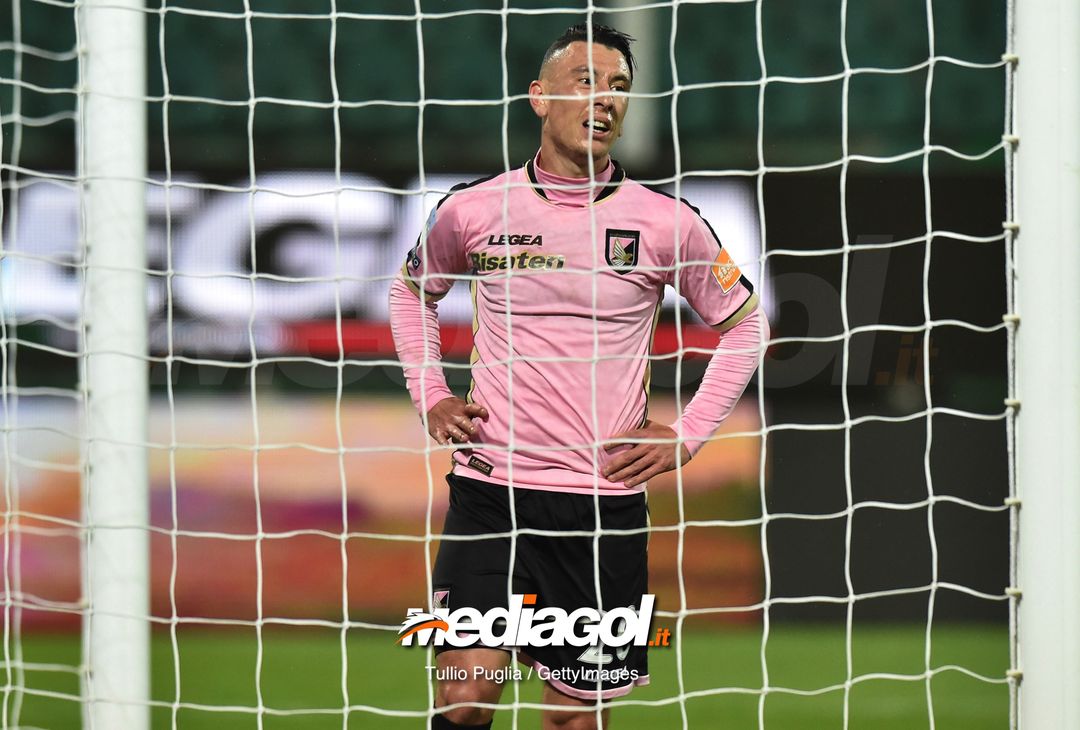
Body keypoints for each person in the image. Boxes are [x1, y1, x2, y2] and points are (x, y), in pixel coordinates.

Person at [389, 22, 768, 730]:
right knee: (465, 699)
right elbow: (411, 293)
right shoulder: (471, 210)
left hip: (603, 510)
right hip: (489, 497)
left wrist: (687, 435)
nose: (606, 100)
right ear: (538, 97)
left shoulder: (668, 225)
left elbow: (747, 326)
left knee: (571, 719)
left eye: (619, 87)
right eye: (586, 82)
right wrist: (432, 392)